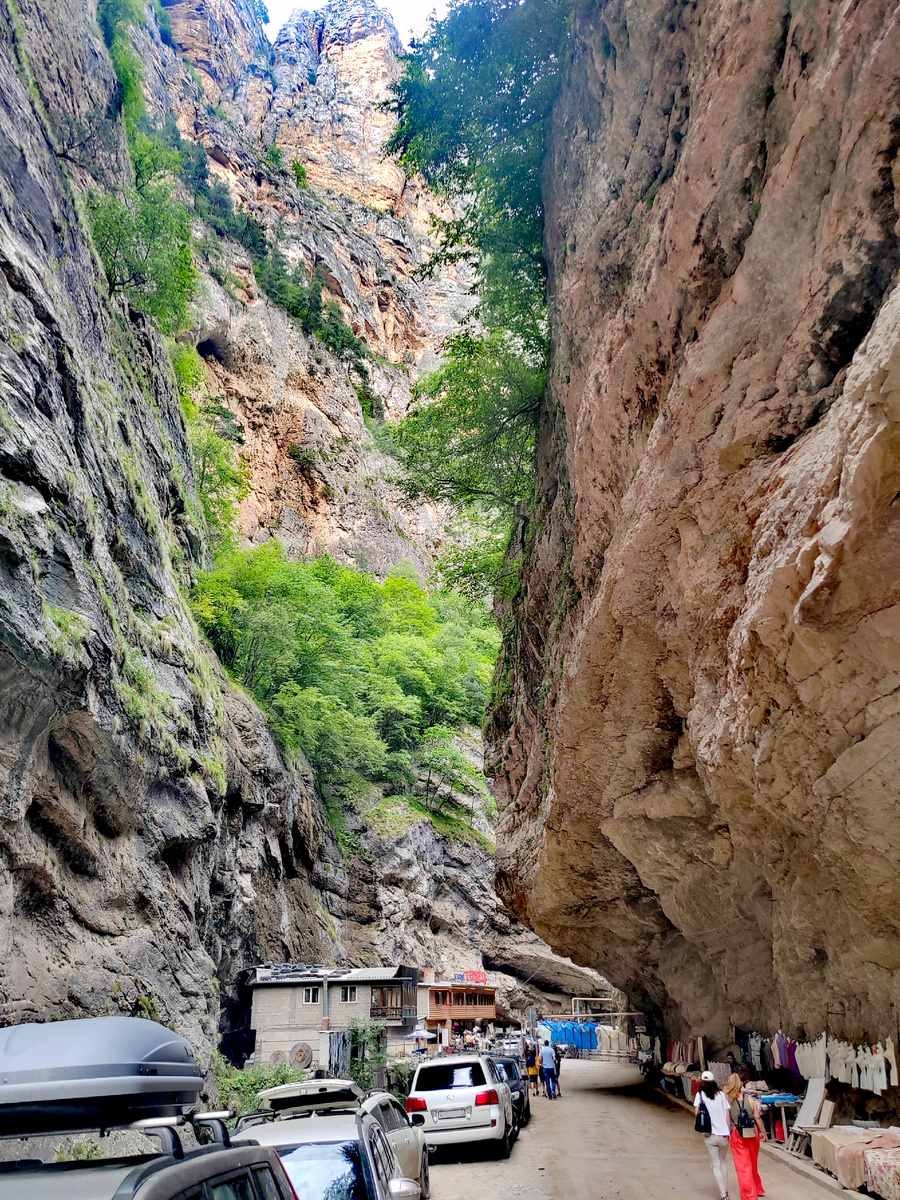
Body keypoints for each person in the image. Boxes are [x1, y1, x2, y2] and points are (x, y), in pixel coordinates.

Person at [724, 1074, 766, 1199]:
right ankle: (758, 1188)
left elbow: (727, 1118)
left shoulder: (728, 1100)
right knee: (753, 1163)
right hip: (752, 1132)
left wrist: (727, 1133)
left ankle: (750, 1195)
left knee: (743, 1166)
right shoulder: (750, 1099)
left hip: (737, 1133)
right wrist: (762, 1132)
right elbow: (757, 1117)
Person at [694, 1070, 732, 1200]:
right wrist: (728, 1131)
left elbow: (697, 1113)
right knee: (723, 1162)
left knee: (715, 1164)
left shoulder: (699, 1095)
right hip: (723, 1135)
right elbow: (727, 1114)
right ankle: (726, 1191)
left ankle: (723, 1195)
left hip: (709, 1135)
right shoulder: (721, 1095)